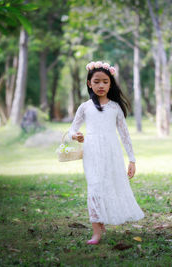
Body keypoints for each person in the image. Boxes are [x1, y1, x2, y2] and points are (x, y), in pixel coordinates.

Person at [67, 61, 145, 245]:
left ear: (110, 84)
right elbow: (72, 129)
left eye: (105, 81)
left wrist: (132, 160)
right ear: (89, 84)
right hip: (92, 151)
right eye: (96, 81)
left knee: (108, 185)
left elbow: (124, 135)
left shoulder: (115, 108)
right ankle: (96, 231)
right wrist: (75, 135)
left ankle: (102, 220)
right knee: (94, 187)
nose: (101, 85)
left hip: (112, 152)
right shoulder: (85, 107)